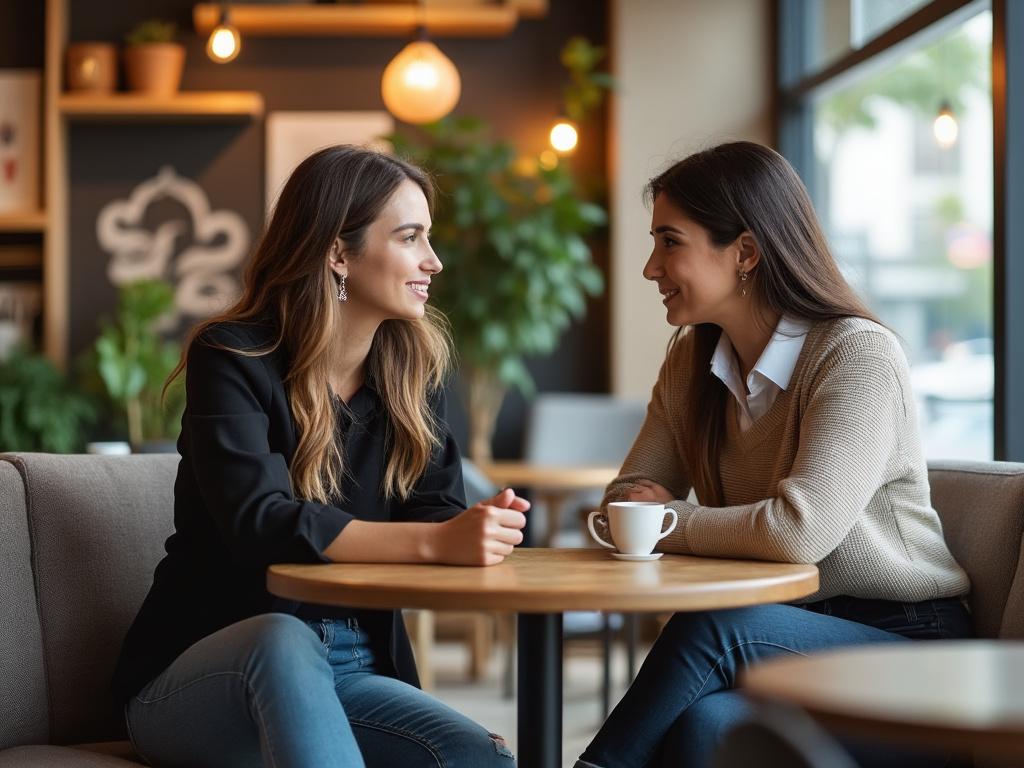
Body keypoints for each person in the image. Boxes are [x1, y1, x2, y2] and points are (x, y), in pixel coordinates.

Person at [113, 145, 528, 768]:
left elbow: (435, 512)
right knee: (281, 639)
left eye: (429, 239)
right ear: (339, 252)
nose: (433, 262)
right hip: (207, 673)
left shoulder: (418, 372)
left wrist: (473, 531)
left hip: (356, 667)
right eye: (410, 238)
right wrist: (435, 544)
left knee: (481, 758)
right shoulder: (232, 358)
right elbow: (260, 523)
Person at [574, 142, 972, 768]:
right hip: (778, 637)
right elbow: (620, 504)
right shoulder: (690, 363)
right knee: (705, 725)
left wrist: (667, 519)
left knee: (716, 627)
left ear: (746, 253)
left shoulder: (857, 356)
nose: (651, 268)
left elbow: (797, 532)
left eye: (669, 242)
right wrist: (646, 514)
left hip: (905, 647)